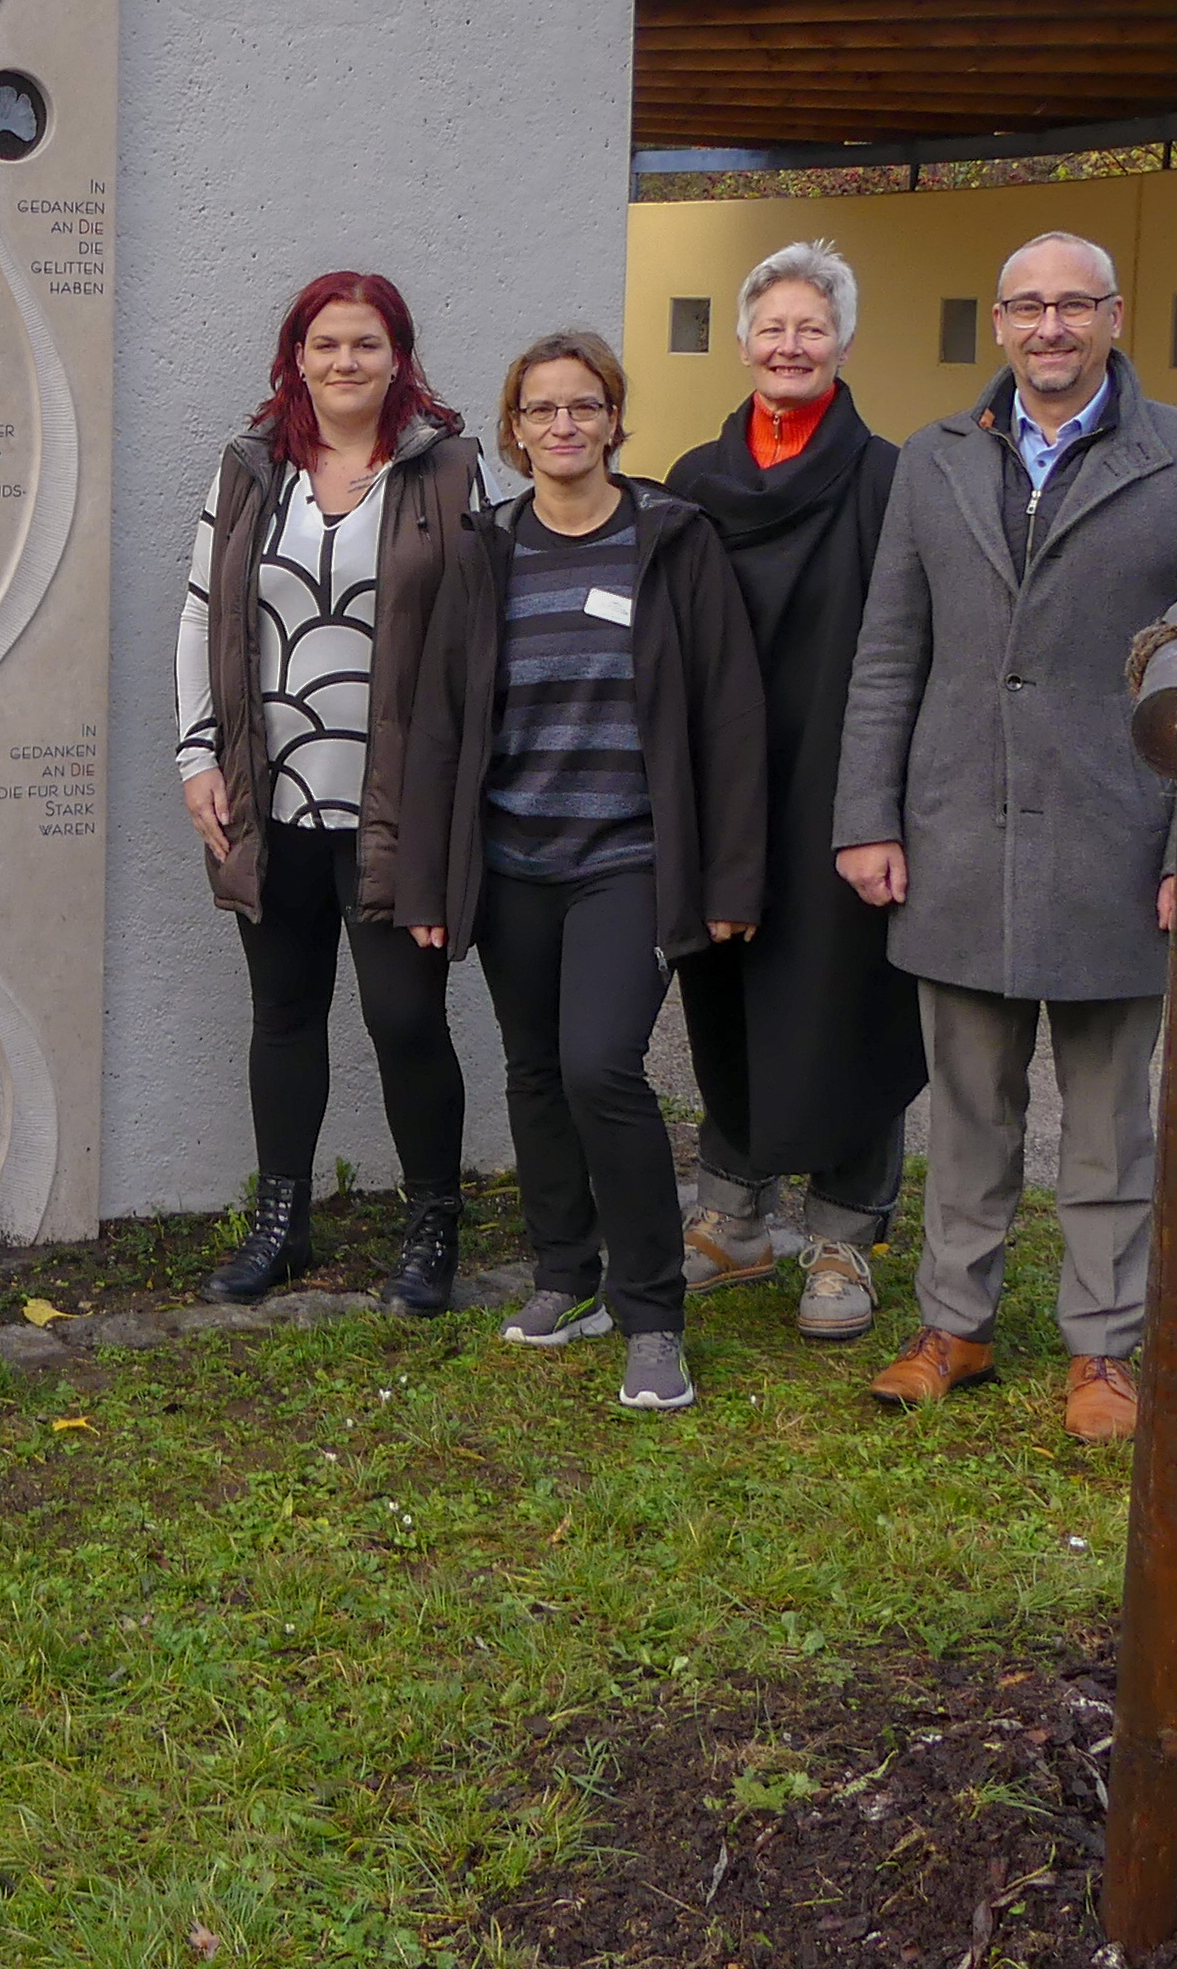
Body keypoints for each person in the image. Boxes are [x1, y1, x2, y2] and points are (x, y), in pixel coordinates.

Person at [833, 230, 1177, 1443]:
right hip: (957, 827)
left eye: (1074, 306)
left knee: (1110, 1114)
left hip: (1115, 837)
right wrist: (867, 814)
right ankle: (954, 1326)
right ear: (1001, 325)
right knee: (966, 1108)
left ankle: (1102, 1349)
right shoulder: (935, 462)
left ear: (1114, 316)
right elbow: (887, 652)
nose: (1051, 328)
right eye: (1029, 307)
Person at [397, 332, 766, 1413]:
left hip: (630, 859)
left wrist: (731, 882)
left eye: (583, 407)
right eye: (541, 410)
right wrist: (429, 882)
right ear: (512, 431)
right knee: (533, 1070)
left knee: (601, 1067)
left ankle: (652, 1313)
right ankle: (569, 1274)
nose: (563, 426)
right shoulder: (485, 550)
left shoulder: (671, 540)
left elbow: (730, 714)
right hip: (512, 861)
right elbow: (438, 728)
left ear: (613, 420)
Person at [175, 271, 490, 1314]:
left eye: (364, 344)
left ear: (398, 356)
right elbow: (198, 616)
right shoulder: (251, 467)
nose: (343, 362)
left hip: (399, 801)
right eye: (324, 345)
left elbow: (478, 639)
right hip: (272, 795)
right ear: (295, 358)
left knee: (404, 1018)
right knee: (283, 1014)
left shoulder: (445, 472)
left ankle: (431, 1226)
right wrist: (196, 759)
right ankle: (282, 1224)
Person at [660, 242, 931, 1347]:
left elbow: (917, 638)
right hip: (725, 784)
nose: (788, 345)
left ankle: (842, 1234)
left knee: (849, 1003)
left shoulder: (891, 480)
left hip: (845, 780)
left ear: (844, 345)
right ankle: (731, 1215)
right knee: (722, 987)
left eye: (809, 327)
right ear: (741, 344)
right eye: (771, 327)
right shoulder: (692, 484)